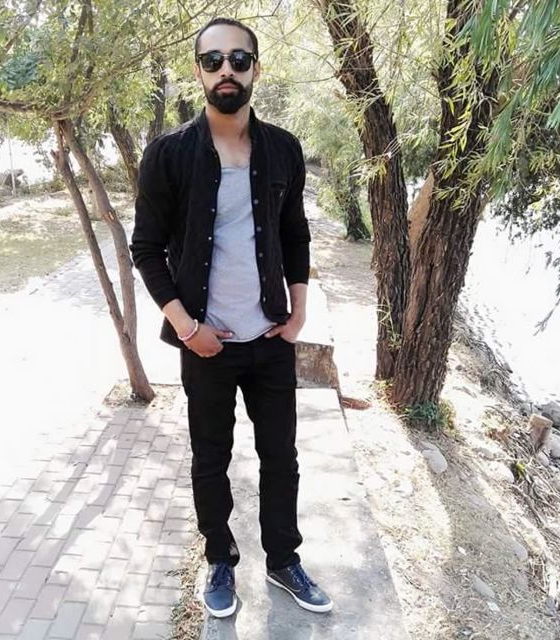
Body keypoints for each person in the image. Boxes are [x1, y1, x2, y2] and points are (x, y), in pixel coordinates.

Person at [130, 17, 333, 618]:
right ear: (199, 71)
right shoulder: (168, 155)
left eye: (238, 60)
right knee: (210, 459)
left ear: (255, 70)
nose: (226, 70)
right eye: (213, 60)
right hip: (206, 343)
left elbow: (295, 233)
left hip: (270, 337)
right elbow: (147, 249)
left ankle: (283, 561)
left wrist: (298, 311)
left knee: (282, 459)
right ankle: (219, 558)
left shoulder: (284, 149)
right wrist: (187, 329)